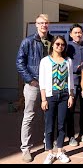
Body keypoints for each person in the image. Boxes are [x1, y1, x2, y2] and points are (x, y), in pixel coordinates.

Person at [16, 14, 54, 162]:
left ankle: (48, 142)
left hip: (50, 85)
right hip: (34, 84)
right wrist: (30, 80)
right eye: (41, 23)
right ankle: (25, 148)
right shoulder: (28, 41)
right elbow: (20, 62)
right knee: (29, 116)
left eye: (46, 23)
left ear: (48, 25)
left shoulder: (53, 40)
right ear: (36, 25)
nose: (43, 25)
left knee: (49, 115)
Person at [39, 35, 74, 164]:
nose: (60, 46)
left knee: (61, 124)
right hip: (50, 96)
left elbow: (70, 80)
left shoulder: (68, 60)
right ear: (52, 45)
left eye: (62, 45)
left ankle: (60, 151)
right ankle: (49, 153)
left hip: (64, 95)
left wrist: (71, 95)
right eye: (58, 44)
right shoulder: (45, 61)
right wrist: (43, 99)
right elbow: (42, 82)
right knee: (49, 125)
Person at [66, 23, 83, 146]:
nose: (78, 34)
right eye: (75, 32)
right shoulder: (67, 47)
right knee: (70, 108)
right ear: (71, 34)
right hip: (72, 82)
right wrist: (76, 67)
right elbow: (64, 63)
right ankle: (70, 135)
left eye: (79, 32)